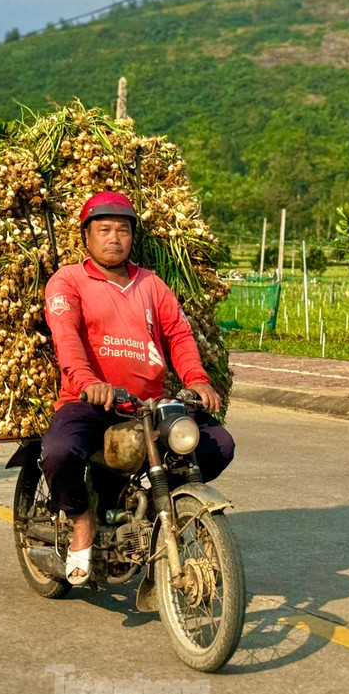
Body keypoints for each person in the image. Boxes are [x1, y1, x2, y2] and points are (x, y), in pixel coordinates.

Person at [40, 191, 235, 585]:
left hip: (148, 403)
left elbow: (178, 334)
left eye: (123, 231)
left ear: (133, 238)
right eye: (104, 229)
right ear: (87, 237)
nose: (114, 238)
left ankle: (161, 517)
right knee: (59, 452)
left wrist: (197, 378)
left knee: (218, 445)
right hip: (91, 401)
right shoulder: (68, 281)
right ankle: (81, 523)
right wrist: (89, 382)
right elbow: (66, 337)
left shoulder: (151, 284)